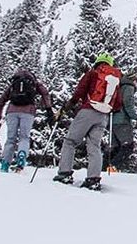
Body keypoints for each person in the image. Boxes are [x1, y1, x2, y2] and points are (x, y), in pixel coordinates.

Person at [53, 53, 123, 190]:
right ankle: (93, 179)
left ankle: (64, 173)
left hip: (88, 110)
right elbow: (118, 104)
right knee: (94, 147)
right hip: (103, 116)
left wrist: (65, 108)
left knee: (70, 142)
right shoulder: (115, 80)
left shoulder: (92, 74)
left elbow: (79, 92)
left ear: (98, 63)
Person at [0, 68, 53, 172]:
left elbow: (1, 101)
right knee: (24, 137)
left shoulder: (13, 84)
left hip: (11, 112)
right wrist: (48, 109)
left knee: (11, 138)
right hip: (28, 111)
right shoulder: (34, 83)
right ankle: (21, 156)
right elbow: (45, 93)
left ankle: (5, 163)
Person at [103, 73, 137, 174]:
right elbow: (128, 104)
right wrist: (136, 117)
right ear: (133, 79)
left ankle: (103, 168)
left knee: (115, 148)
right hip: (122, 121)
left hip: (111, 121)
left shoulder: (118, 88)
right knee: (128, 146)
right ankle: (113, 167)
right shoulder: (128, 87)